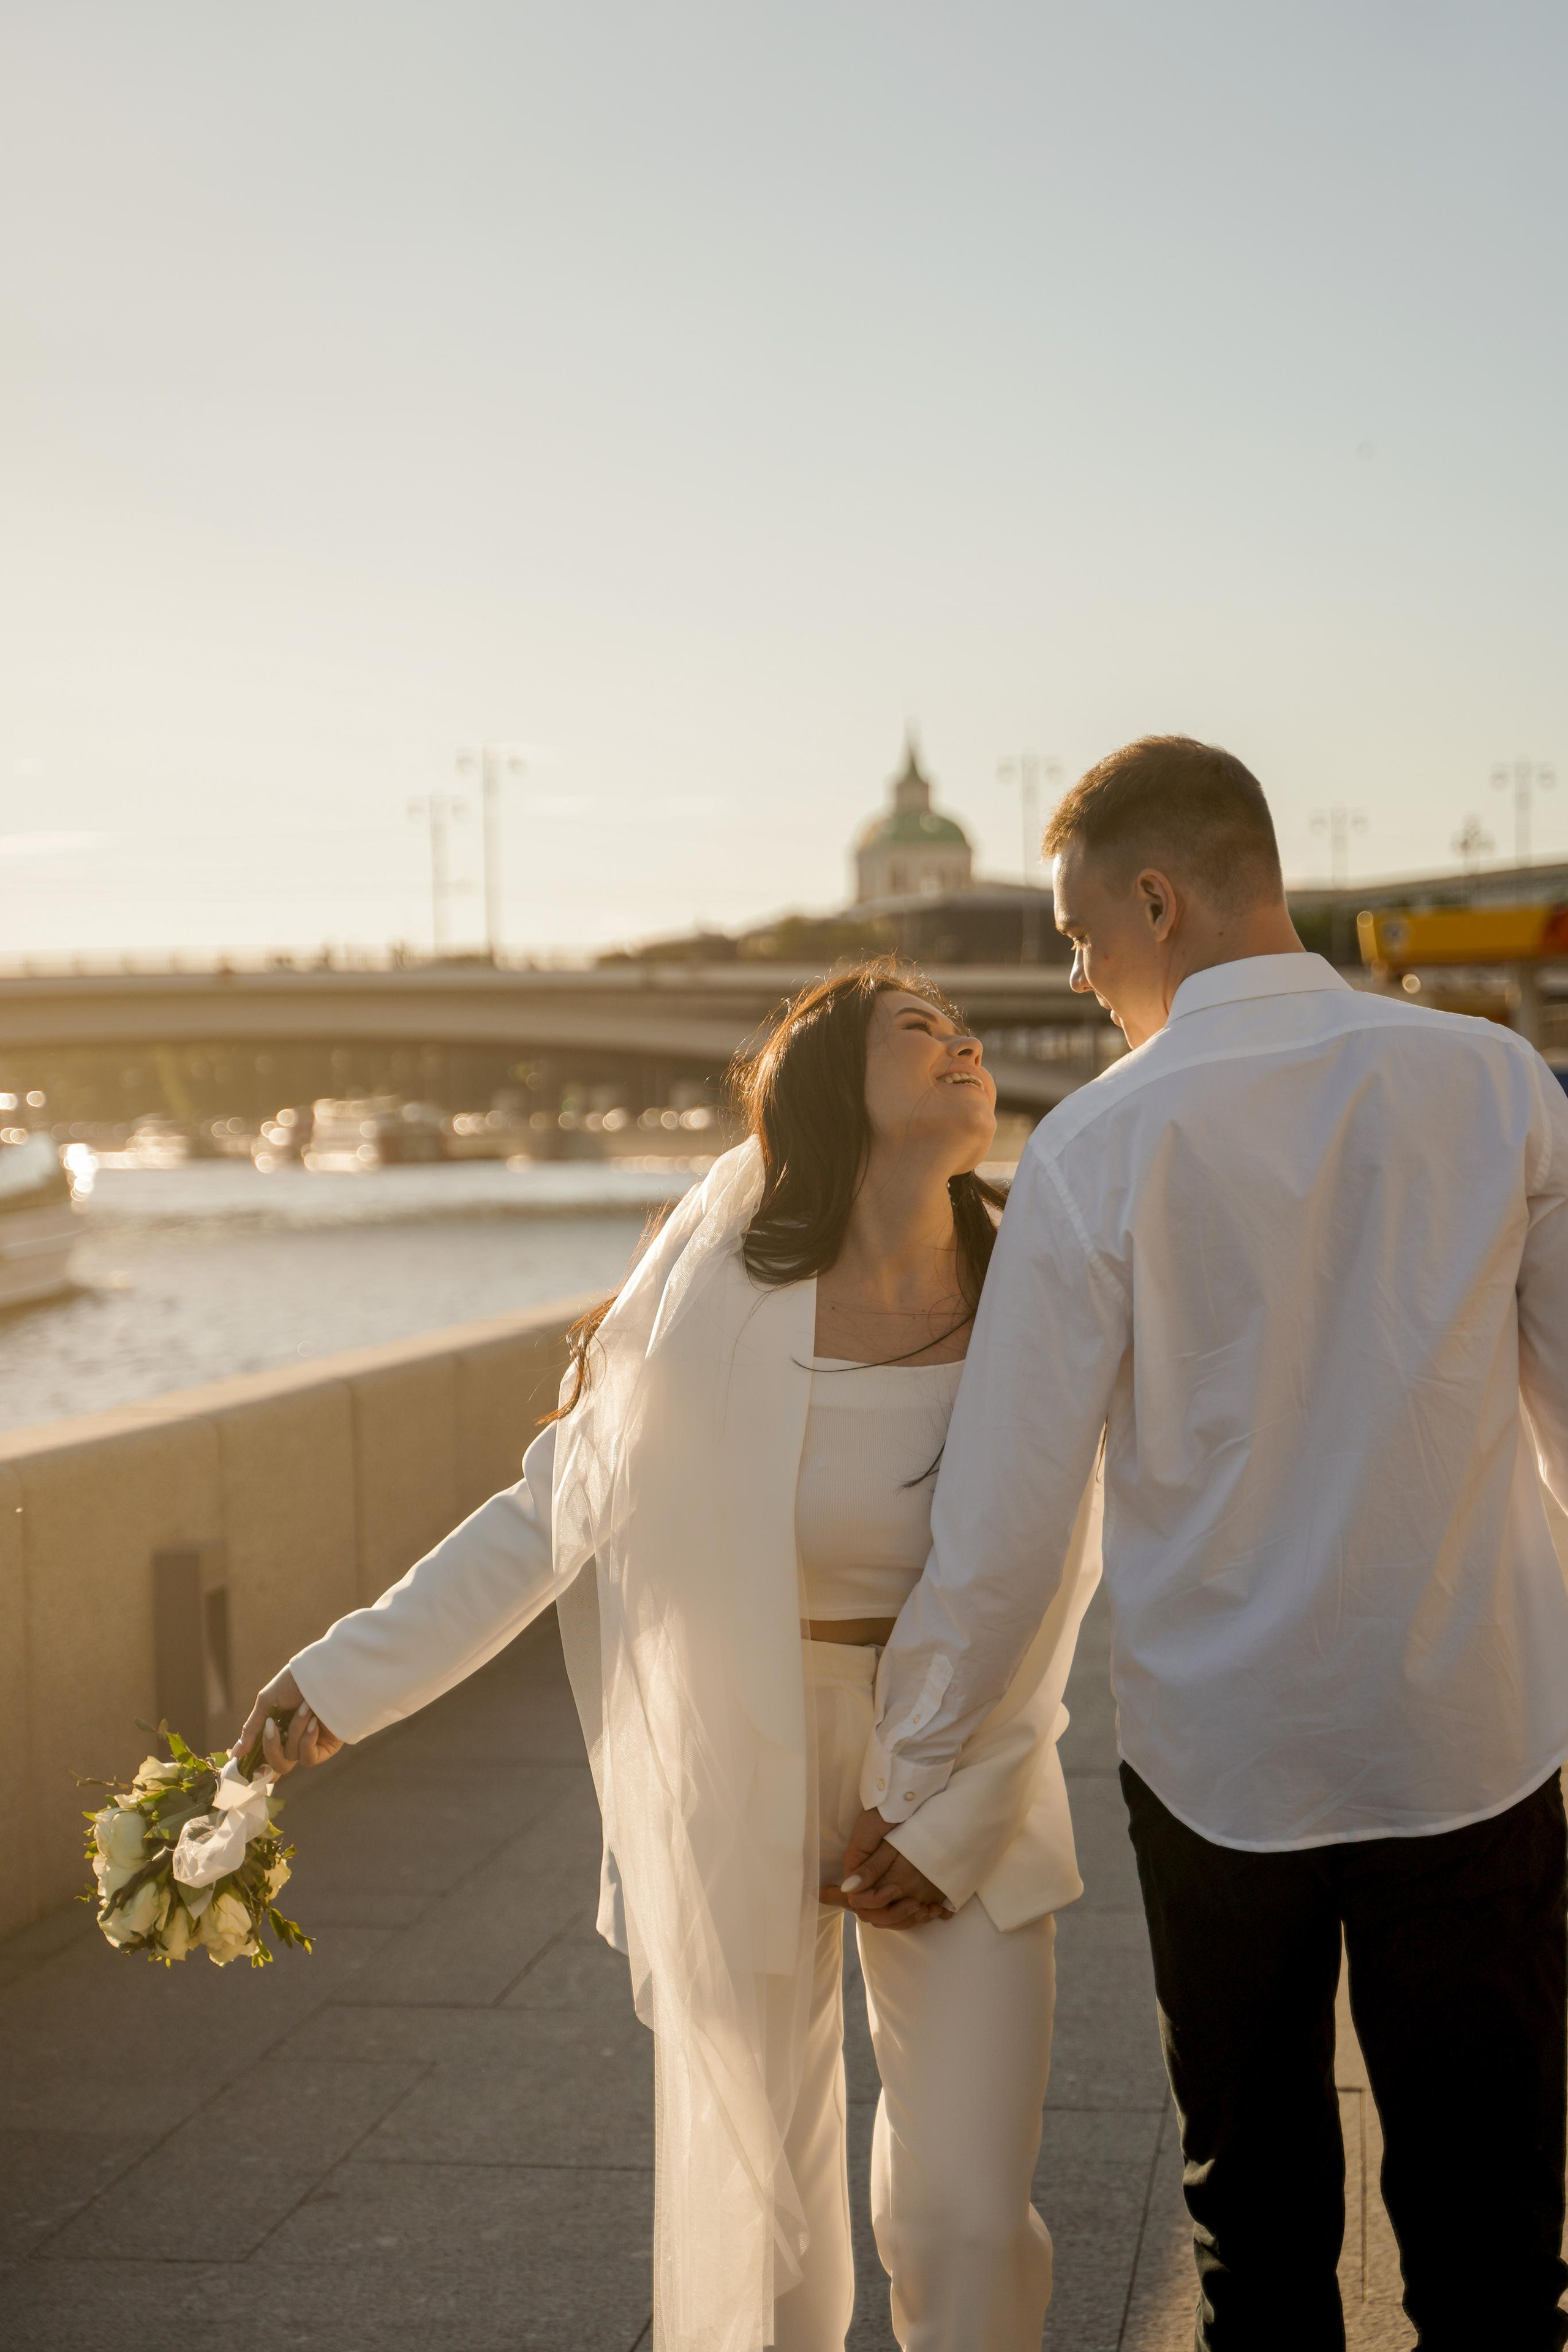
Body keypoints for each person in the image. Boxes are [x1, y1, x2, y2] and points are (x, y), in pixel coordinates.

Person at [234, 960, 1102, 2352]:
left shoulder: (1036, 1285)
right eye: (917, 1030)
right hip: (745, 1751)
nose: (964, 1044)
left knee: (965, 2217)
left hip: (969, 1757)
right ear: (832, 1089)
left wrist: (960, 1800)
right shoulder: (718, 1301)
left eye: (964, 1030)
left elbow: (1054, 1577)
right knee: (771, 2223)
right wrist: (344, 1679)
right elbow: (551, 1512)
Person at [839, 737, 1568, 2351]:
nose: (1085, 980)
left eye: (1085, 939)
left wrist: (911, 1771)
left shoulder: (1098, 1148)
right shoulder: (1494, 1083)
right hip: (1480, 1740)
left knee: (1259, 2239)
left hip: (1224, 1771)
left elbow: (1011, 1523)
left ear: (1155, 897)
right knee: (1500, 2246)